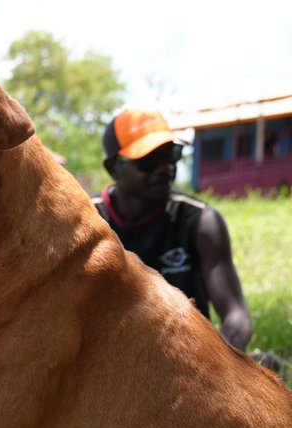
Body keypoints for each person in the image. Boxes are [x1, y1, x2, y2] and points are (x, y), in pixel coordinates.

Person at [94, 109, 256, 353]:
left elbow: (236, 317)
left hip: (187, 356)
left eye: (170, 155)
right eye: (148, 160)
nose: (164, 168)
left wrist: (224, 365)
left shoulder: (201, 222)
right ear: (113, 168)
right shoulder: (88, 222)